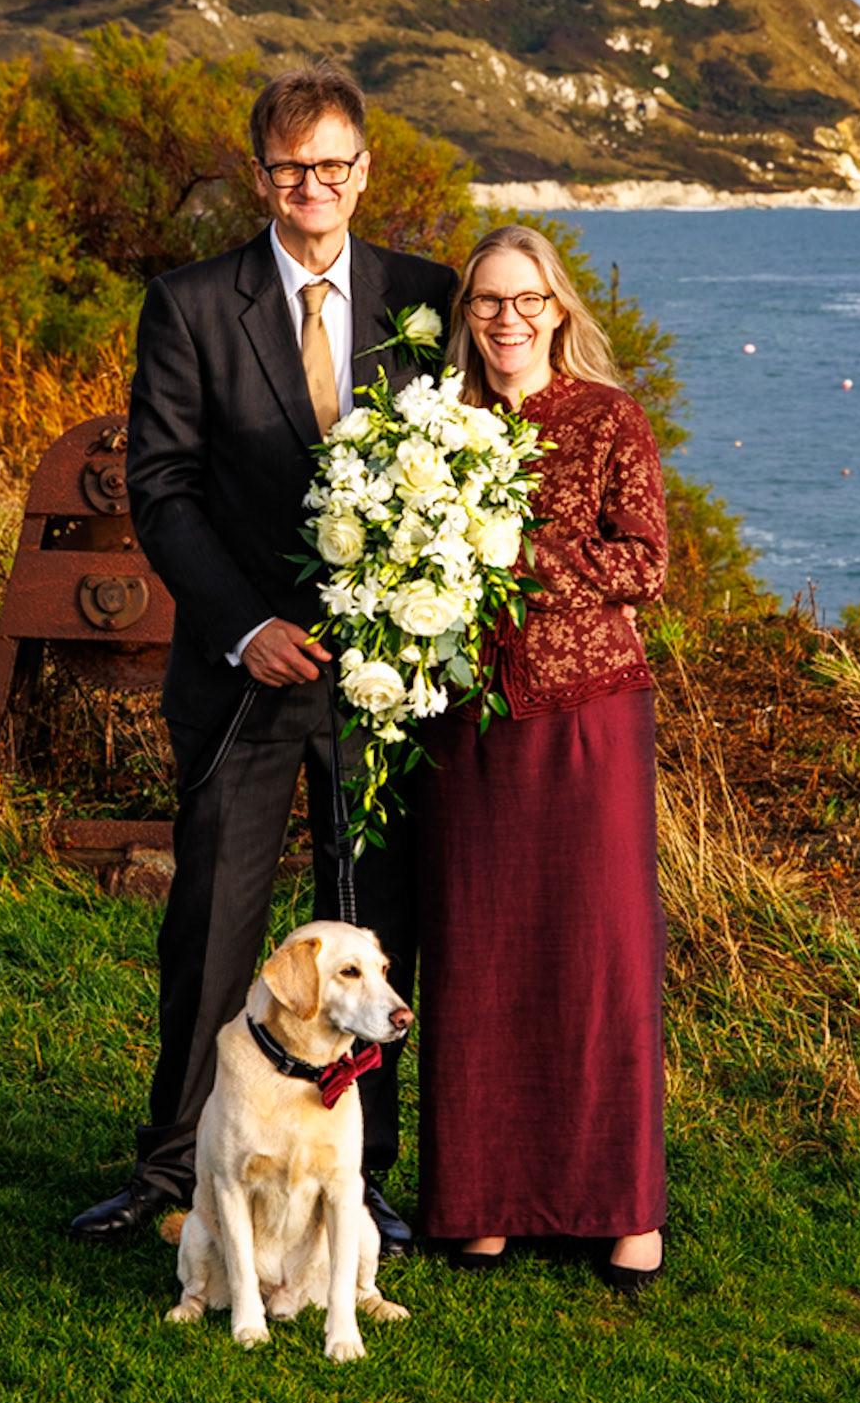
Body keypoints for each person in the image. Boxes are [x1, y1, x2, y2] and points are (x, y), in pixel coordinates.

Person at [69, 63, 457, 1249]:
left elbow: (457, 466)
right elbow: (163, 484)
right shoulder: (192, 304)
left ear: (364, 170)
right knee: (212, 929)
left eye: (333, 164)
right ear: (260, 176)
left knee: (370, 933)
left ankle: (361, 1175)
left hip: (380, 684)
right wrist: (247, 625)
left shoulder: (423, 297)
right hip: (242, 675)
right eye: (292, 168)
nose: (313, 186)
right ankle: (172, 1168)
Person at [414, 225, 669, 1291]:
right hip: (465, 717)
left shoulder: (608, 416)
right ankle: (480, 1201)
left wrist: (518, 547)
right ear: (465, 315)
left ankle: (625, 1211)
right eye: (486, 301)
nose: (506, 318)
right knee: (477, 951)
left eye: (527, 300)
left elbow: (644, 565)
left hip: (586, 715)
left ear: (558, 310)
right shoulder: (435, 422)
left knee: (599, 951)